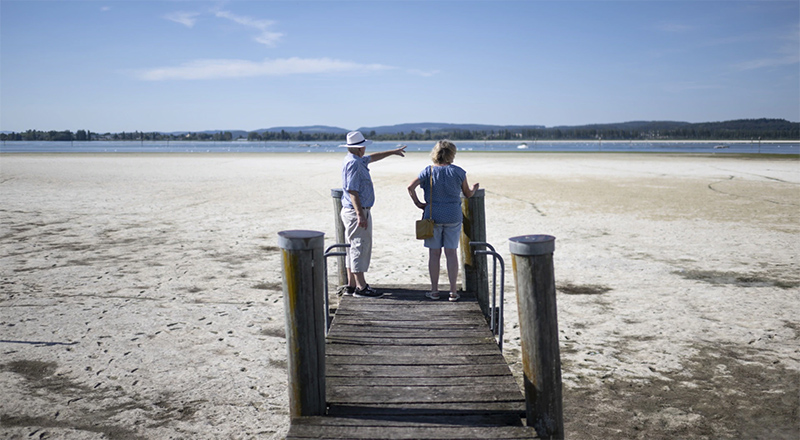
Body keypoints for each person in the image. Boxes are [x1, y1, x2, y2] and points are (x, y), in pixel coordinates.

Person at [407, 140, 479, 302]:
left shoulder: (428, 171)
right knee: (451, 253)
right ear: (451, 154)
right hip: (453, 215)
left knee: (434, 254)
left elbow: (410, 187)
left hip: (433, 215)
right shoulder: (459, 172)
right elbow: (467, 194)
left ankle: (434, 291)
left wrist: (419, 204)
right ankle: (453, 291)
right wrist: (474, 189)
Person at [340, 131, 407, 297]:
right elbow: (352, 190)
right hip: (357, 211)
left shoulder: (355, 159)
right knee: (358, 246)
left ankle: (351, 285)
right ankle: (361, 288)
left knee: (352, 247)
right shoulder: (354, 163)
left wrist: (392, 152)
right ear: (360, 147)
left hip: (356, 210)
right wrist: (360, 214)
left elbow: (373, 157)